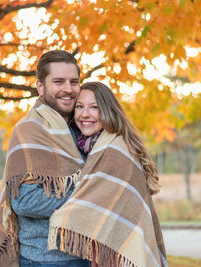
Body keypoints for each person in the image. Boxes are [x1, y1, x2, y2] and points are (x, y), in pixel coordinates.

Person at [49, 82, 168, 267]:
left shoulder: (114, 149)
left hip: (121, 251)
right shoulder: (91, 146)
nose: (85, 114)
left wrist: (64, 215)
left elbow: (102, 201)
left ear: (108, 111)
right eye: (79, 106)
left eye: (94, 107)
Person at [0, 50, 90, 267]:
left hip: (88, 254)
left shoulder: (85, 131)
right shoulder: (28, 131)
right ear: (40, 86)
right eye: (58, 81)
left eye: (74, 82)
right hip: (46, 259)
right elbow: (24, 201)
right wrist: (90, 195)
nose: (68, 89)